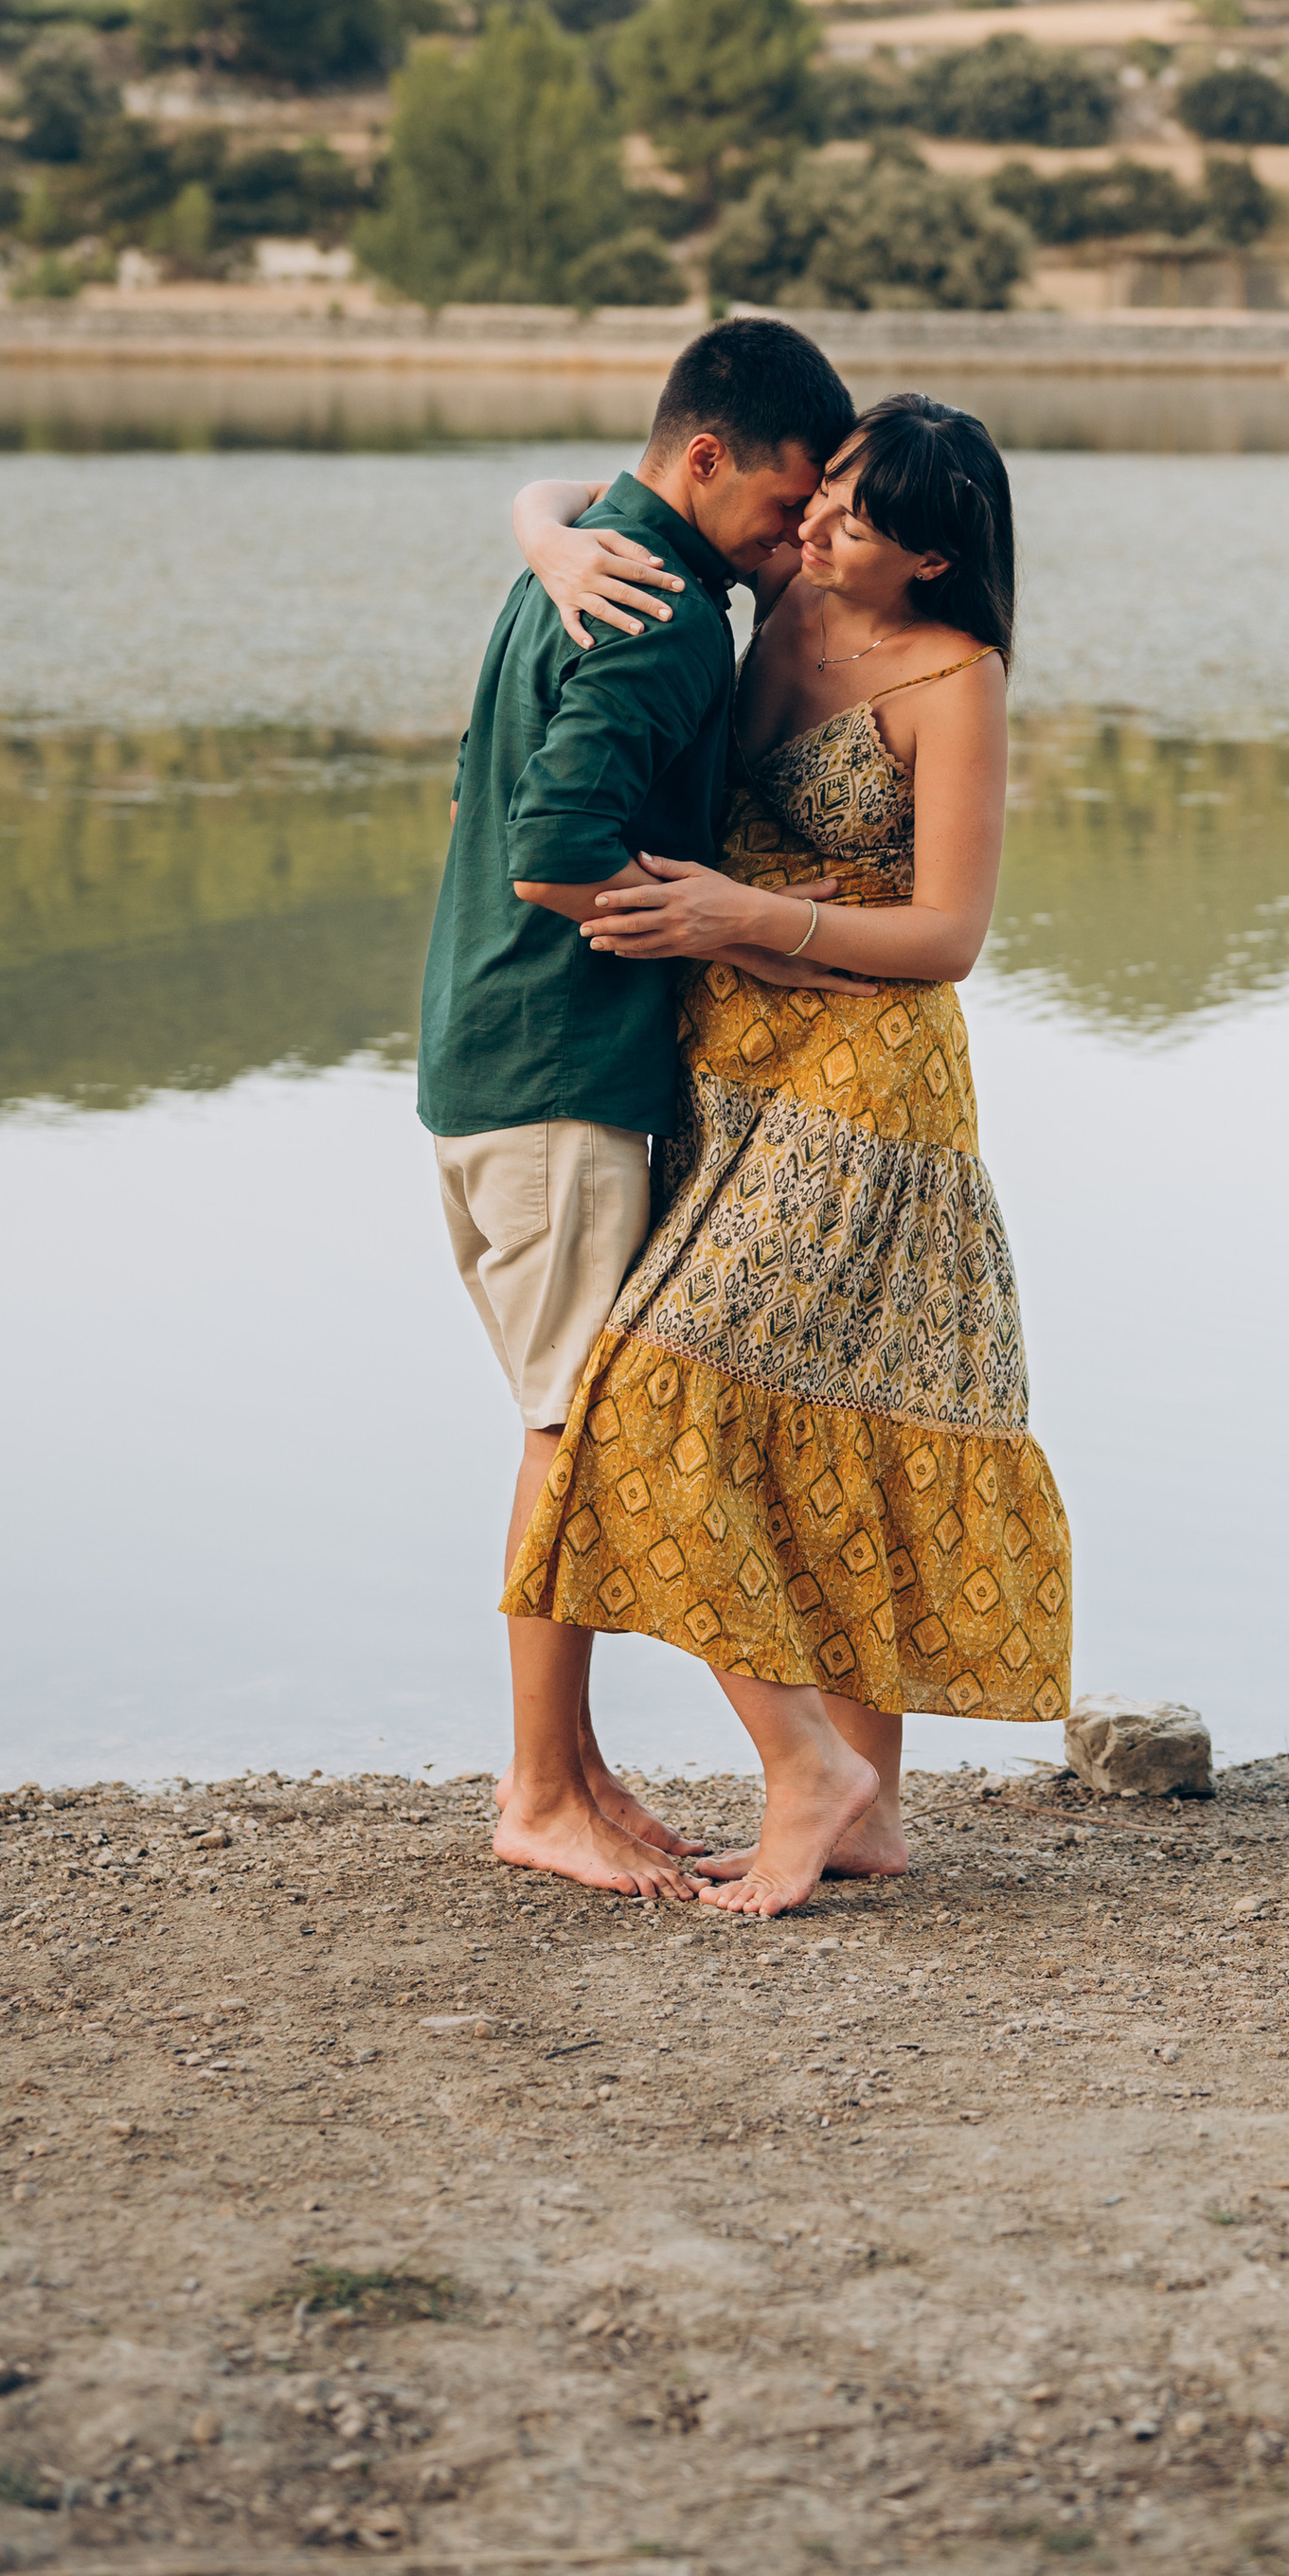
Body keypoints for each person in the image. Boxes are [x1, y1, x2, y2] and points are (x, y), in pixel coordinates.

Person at [498, 391, 1072, 1916]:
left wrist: (741, 916)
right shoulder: (784, 588)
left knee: (675, 1389)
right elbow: (593, 489)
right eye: (822, 496)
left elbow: (948, 938)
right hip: (730, 1063)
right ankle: (865, 1809)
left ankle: (821, 1780)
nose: (816, 523)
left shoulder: (955, 678)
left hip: (869, 1084)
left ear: (931, 560)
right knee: (808, 1408)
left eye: (857, 520)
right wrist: (543, 537)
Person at [419, 315, 857, 1903]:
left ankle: (576, 1768)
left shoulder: (596, 554)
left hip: (491, 1054)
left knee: (568, 1421)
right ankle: (541, 1791)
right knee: (574, 1434)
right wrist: (729, 927)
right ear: (706, 459)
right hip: (561, 1072)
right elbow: (555, 851)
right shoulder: (662, 615)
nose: (794, 541)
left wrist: (537, 520)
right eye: (785, 505)